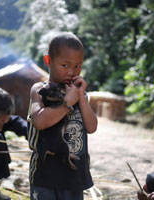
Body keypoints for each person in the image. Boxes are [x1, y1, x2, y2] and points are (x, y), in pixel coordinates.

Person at [28, 32, 98, 200]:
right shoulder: (40, 90)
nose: (71, 72)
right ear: (48, 61)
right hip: (45, 175)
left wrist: (80, 98)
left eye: (77, 66)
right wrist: (67, 103)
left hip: (74, 174)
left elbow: (92, 127)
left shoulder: (81, 95)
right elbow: (39, 121)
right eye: (65, 65)